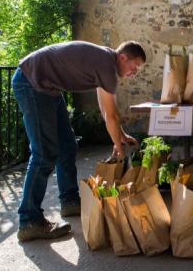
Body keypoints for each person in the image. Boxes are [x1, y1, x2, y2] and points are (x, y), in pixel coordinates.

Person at [12, 40, 146, 242]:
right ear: (123, 57)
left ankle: (69, 201)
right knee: (44, 153)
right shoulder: (107, 66)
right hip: (31, 82)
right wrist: (118, 146)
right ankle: (29, 220)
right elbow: (111, 115)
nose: (134, 72)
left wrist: (120, 134)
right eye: (134, 66)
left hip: (48, 88)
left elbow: (106, 110)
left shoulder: (106, 62)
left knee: (67, 146)